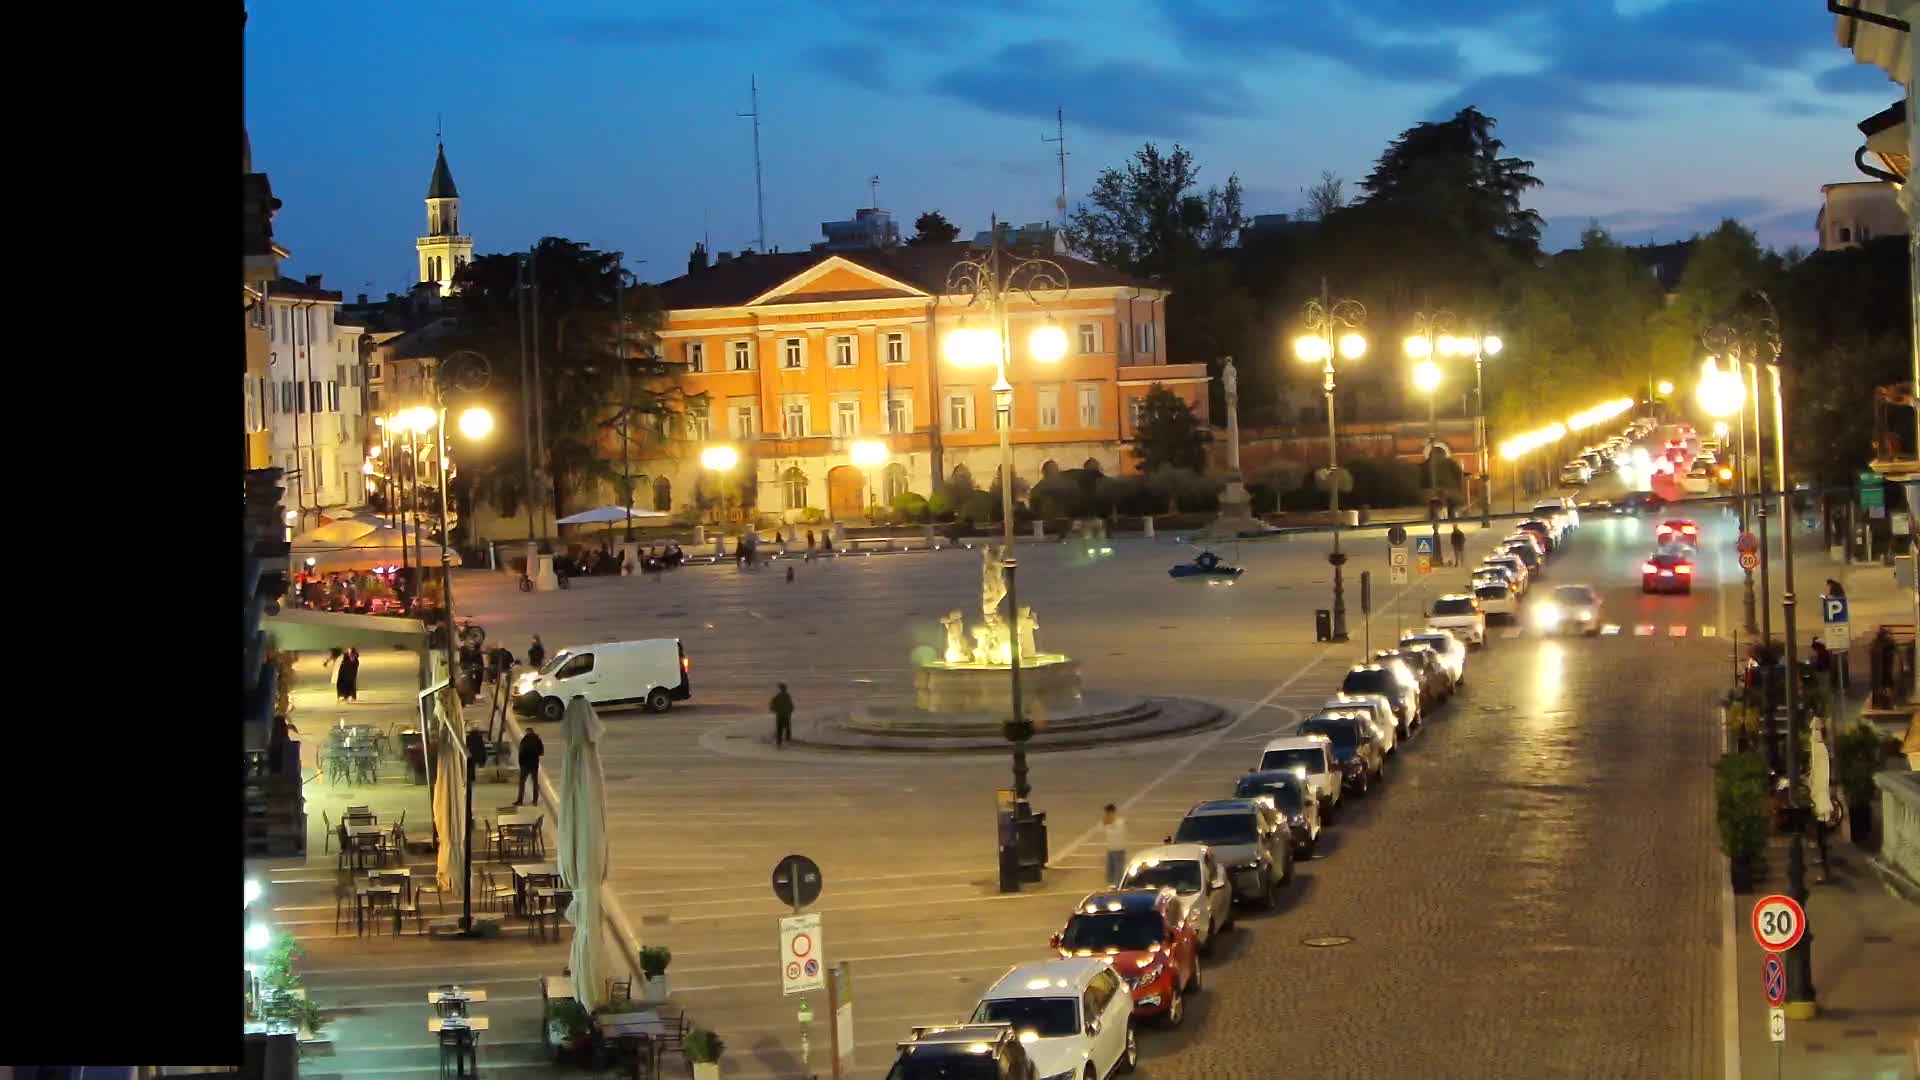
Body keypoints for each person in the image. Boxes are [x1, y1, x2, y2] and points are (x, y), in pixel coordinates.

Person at [515, 726, 545, 806]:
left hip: (525, 764)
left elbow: (521, 752)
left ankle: (520, 800)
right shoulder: (538, 740)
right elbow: (541, 752)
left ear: (527, 732)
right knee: (535, 782)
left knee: (522, 782)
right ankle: (535, 801)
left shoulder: (524, 740)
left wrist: (521, 763)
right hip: (534, 764)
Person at [1101, 804, 1128, 886]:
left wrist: (1109, 823)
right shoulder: (1106, 822)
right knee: (1109, 872)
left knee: (1118, 872)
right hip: (1111, 850)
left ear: (1112, 812)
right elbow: (1104, 830)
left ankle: (1119, 887)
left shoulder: (1120, 822)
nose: (1107, 815)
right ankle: (1112, 886)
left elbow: (1117, 832)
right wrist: (1107, 823)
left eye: (1108, 813)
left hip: (1119, 850)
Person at [770, 682, 794, 748]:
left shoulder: (778, 696)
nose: (785, 689)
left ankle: (779, 743)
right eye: (784, 688)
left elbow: (771, 706)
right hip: (784, 715)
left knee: (780, 730)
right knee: (786, 729)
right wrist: (789, 712)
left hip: (781, 715)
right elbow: (791, 706)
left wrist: (776, 710)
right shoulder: (786, 696)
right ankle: (785, 742)